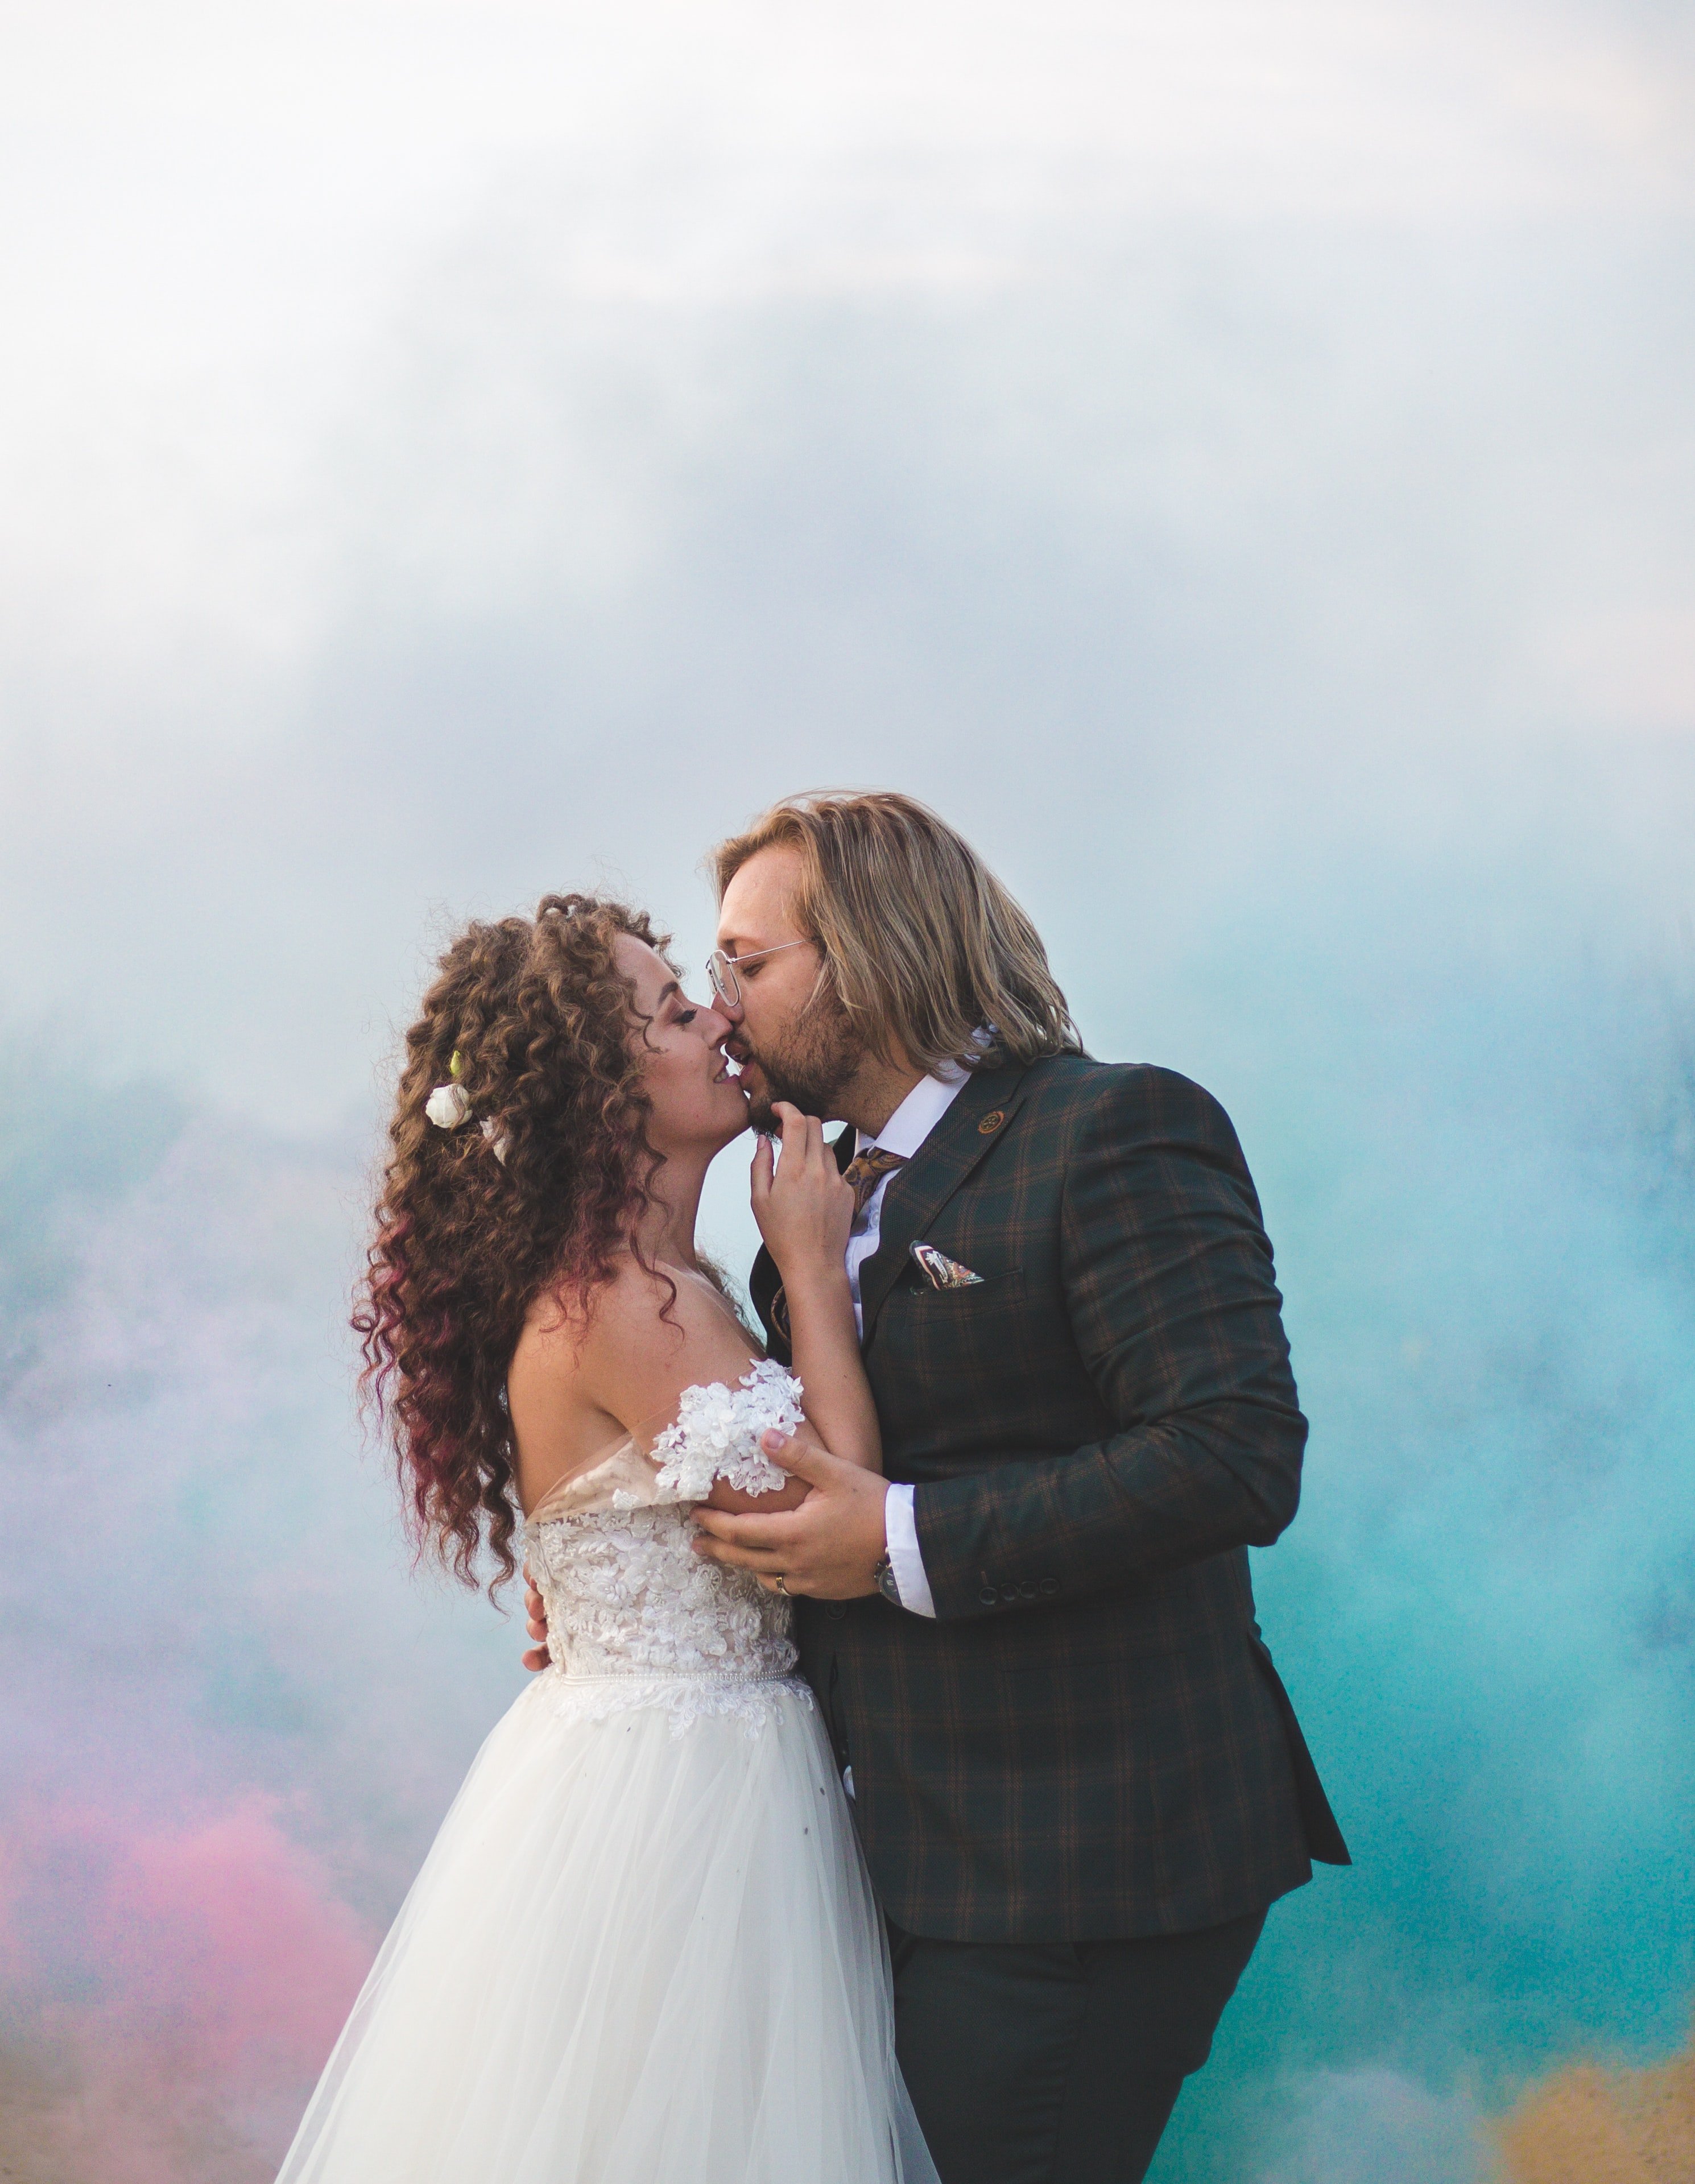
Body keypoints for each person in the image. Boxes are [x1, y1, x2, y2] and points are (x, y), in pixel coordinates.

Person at [523, 791, 1351, 2184]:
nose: (720, 1007)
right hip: (883, 1856)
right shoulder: (815, 1186)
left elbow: (1229, 1451)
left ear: (863, 957)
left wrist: (898, 1537)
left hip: (1082, 1863)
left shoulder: (1111, 1127)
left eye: (745, 962)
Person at [277, 893, 940, 2184]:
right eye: (677, 1008)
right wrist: (810, 1261)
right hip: (684, 1795)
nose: (718, 1021)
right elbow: (838, 1499)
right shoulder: (625, 1305)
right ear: (599, 1086)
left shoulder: (660, 1285)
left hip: (676, 1761)